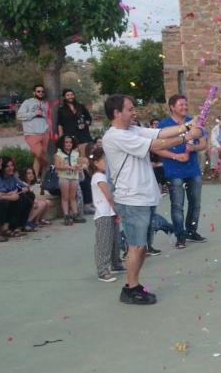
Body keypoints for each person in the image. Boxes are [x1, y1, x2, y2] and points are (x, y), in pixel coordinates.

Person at [102, 94, 203, 305]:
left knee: (143, 246)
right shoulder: (115, 136)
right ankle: (131, 288)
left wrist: (187, 125)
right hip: (131, 199)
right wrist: (186, 136)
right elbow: (156, 144)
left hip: (144, 196)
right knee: (136, 246)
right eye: (129, 109)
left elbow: (161, 131)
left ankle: (134, 285)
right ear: (116, 113)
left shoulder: (132, 129)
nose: (134, 111)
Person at [157, 95, 208, 249]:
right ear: (172, 107)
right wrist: (175, 156)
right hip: (174, 170)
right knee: (177, 204)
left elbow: (203, 143)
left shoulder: (195, 122)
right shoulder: (164, 125)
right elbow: (158, 147)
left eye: (186, 104)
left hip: (192, 169)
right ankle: (180, 235)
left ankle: (191, 231)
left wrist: (194, 147)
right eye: (181, 105)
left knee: (195, 203)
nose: (185, 107)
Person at [89, 147, 122, 282]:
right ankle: (102, 270)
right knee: (104, 242)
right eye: (105, 161)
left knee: (115, 240)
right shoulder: (98, 176)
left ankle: (115, 263)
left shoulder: (106, 176)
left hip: (111, 213)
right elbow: (108, 195)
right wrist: (118, 210)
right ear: (96, 163)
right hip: (104, 214)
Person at [0, 156, 35, 235]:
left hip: (13, 197)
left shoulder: (12, 177)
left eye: (12, 165)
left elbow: (25, 186)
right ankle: (9, 227)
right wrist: (14, 192)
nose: (11, 168)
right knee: (20, 198)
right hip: (1, 199)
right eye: (7, 166)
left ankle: (19, 226)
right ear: (2, 168)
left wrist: (24, 189)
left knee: (29, 196)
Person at [17, 84, 49, 181]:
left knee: (37, 157)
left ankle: (36, 178)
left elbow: (47, 117)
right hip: (31, 133)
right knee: (40, 154)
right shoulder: (28, 102)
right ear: (34, 92)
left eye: (42, 91)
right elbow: (19, 116)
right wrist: (34, 113)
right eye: (38, 91)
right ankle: (50, 169)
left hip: (44, 132)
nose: (40, 93)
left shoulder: (45, 104)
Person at [55, 135, 84, 226]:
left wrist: (79, 166)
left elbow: (79, 163)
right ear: (62, 143)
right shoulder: (58, 154)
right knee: (65, 197)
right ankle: (66, 215)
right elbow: (57, 166)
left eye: (70, 142)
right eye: (66, 142)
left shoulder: (76, 153)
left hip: (74, 177)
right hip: (64, 177)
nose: (68, 144)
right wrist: (67, 167)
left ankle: (75, 214)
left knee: (73, 196)